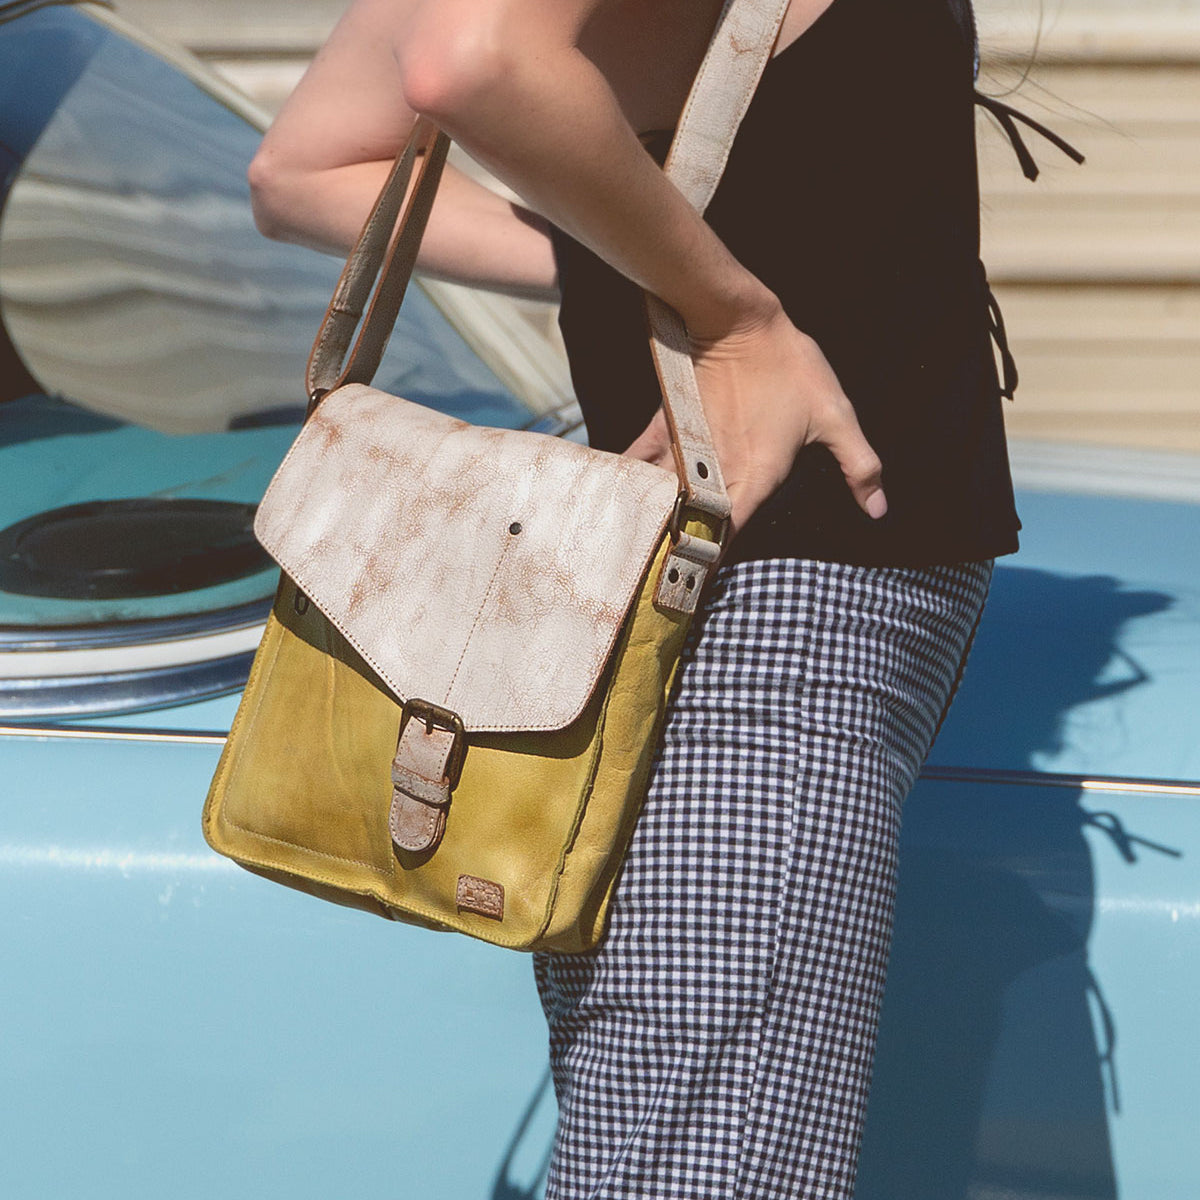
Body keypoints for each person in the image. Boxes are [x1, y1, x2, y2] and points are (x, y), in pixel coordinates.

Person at [248, 1, 1018, 1195]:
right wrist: (739, 315)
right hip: (771, 608)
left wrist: (642, 241)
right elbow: (468, 62)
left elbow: (305, 169)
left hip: (674, 603)